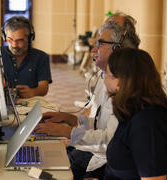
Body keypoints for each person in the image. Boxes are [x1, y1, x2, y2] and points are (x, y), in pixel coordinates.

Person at [35, 14, 140, 180]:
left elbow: (113, 142)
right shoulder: (104, 75)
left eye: (100, 43)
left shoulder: (127, 86)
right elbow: (97, 121)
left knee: (48, 170)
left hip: (105, 161)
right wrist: (68, 119)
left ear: (118, 48)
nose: (93, 49)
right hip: (91, 150)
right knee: (40, 159)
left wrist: (70, 133)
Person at [104, 48, 167, 180]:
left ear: (119, 82)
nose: (103, 80)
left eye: (106, 74)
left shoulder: (147, 124)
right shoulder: (134, 111)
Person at [0, 16, 52, 98]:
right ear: (4, 37)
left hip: (30, 100)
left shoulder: (41, 57)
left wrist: (33, 92)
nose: (14, 45)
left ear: (29, 38)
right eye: (10, 39)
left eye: (19, 40)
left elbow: (44, 88)